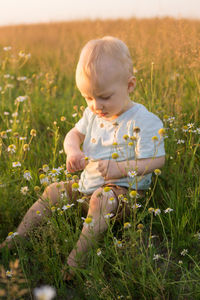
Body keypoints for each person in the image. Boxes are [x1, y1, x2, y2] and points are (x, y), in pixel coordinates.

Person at [0, 36, 165, 280]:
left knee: (102, 198)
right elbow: (73, 134)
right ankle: (17, 238)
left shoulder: (144, 121)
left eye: (104, 97)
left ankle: (77, 258)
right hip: (87, 189)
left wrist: (121, 168)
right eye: (88, 97)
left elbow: (157, 161)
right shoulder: (92, 114)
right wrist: (73, 151)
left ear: (130, 85)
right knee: (53, 191)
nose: (96, 105)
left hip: (125, 194)